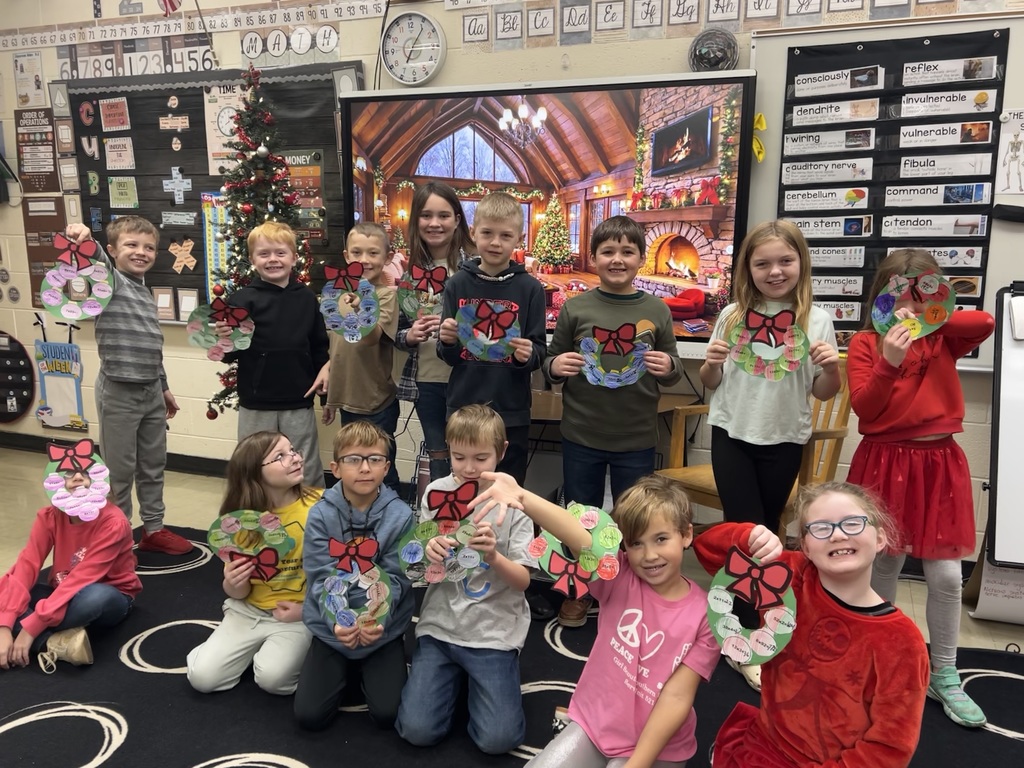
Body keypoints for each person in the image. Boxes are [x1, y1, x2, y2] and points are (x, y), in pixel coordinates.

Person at [472, 472, 720, 768]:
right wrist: (523, 497)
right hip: (594, 723)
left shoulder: (707, 614)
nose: (649, 555)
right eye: (636, 543)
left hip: (657, 747)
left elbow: (677, 697)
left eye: (661, 539)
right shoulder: (620, 574)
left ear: (687, 534)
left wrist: (635, 764)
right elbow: (579, 537)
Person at [846, 248, 994, 728]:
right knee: (884, 565)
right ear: (881, 294)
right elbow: (866, 410)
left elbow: (986, 322)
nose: (908, 299)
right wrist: (890, 359)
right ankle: (881, 660)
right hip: (884, 461)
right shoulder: (867, 343)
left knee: (948, 577)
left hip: (938, 463)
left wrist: (935, 315)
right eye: (899, 290)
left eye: (921, 288)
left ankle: (945, 673)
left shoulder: (943, 340)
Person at [693, 482, 930, 767]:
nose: (838, 535)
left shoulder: (902, 642)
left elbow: (889, 747)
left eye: (853, 523)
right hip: (765, 747)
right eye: (821, 528)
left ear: (880, 538)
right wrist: (749, 537)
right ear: (805, 546)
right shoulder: (790, 578)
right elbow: (707, 550)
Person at [699, 219, 840, 691]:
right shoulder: (733, 315)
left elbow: (824, 391)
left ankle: (752, 619)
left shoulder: (816, 320)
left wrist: (831, 369)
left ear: (801, 263)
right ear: (748, 268)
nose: (775, 271)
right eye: (762, 263)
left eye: (785, 260)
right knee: (747, 533)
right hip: (733, 434)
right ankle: (742, 630)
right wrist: (711, 364)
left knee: (769, 533)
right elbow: (711, 383)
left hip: (784, 439)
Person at [544, 215, 683, 628]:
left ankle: (628, 592)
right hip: (582, 433)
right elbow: (551, 360)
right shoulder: (575, 307)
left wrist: (668, 365)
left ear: (642, 258)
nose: (617, 259)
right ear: (594, 257)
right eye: (608, 251)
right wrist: (557, 365)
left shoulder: (657, 310)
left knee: (635, 521)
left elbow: (674, 369)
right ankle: (580, 590)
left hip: (637, 436)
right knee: (580, 517)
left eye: (627, 251)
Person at [396, 404, 533, 754]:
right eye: (459, 457)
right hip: (441, 626)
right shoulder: (436, 492)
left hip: (493, 633)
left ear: (502, 453)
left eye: (481, 458)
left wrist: (494, 557)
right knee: (416, 730)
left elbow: (523, 581)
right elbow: (419, 565)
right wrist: (429, 550)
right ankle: (456, 683)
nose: (469, 468)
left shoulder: (516, 504)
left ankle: (478, 683)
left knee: (498, 740)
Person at [66, 219, 191, 555]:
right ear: (112, 250)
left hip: (151, 390)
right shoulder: (111, 283)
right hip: (119, 392)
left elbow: (152, 346)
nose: (141, 252)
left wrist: (163, 386)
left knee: (153, 465)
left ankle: (153, 529)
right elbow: (96, 265)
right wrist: (83, 237)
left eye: (149, 247)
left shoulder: (144, 292)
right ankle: (117, 539)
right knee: (118, 473)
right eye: (131, 245)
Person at [295, 421, 415, 731]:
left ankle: (366, 664)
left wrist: (377, 621)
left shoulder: (400, 515)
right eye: (353, 459)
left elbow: (397, 578)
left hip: (381, 628)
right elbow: (321, 577)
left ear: (386, 467)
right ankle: (344, 666)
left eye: (374, 459)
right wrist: (338, 622)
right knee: (309, 717)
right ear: (335, 467)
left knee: (389, 714)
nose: (365, 468)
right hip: (331, 627)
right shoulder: (321, 514)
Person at [186, 431, 321, 695]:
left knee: (275, 681)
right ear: (252, 473)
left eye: (293, 450)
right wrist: (233, 582)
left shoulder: (320, 505)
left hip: (298, 615)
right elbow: (238, 592)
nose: (294, 458)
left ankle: (285, 651)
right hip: (248, 611)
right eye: (280, 456)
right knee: (203, 679)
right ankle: (230, 650)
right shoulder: (239, 521)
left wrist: (308, 611)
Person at [0, 441, 141, 674]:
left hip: (110, 596)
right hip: (61, 594)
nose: (77, 478)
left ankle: (35, 635)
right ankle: (53, 643)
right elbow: (27, 565)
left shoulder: (114, 522)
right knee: (10, 587)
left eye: (84, 473)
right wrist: (4, 624)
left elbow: (84, 577)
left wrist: (30, 629)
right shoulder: (48, 517)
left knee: (93, 597)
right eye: (68, 474)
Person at [438, 192, 546, 484]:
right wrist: (447, 340)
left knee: (509, 488)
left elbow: (539, 352)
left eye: (505, 235)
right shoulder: (458, 284)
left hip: (511, 411)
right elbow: (447, 354)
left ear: (519, 239)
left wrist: (528, 354)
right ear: (473, 233)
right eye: (487, 233)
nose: (496, 242)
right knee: (463, 485)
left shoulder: (531, 289)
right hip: (464, 406)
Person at [217, 221, 330, 488]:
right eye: (264, 254)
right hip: (256, 402)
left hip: (298, 400)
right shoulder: (242, 300)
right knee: (254, 462)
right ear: (252, 259)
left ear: (293, 257)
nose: (273, 260)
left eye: (280, 253)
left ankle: (311, 519)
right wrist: (225, 338)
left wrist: (326, 398)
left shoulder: (305, 298)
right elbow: (229, 354)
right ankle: (256, 518)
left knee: (304, 461)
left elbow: (318, 347)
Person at [395, 182, 474, 481]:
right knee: (438, 455)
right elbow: (400, 335)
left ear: (457, 220)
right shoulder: (409, 274)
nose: (435, 223)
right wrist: (410, 336)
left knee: (470, 454)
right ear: (416, 221)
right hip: (426, 381)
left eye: (443, 215)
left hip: (467, 377)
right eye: (426, 215)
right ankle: (444, 522)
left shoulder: (475, 269)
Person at [324, 223, 401, 490]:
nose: (364, 260)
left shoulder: (386, 297)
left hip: (375, 403)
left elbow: (370, 339)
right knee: (353, 467)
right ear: (346, 256)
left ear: (388, 258)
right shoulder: (335, 295)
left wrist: (360, 310)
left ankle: (392, 521)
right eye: (356, 253)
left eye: (373, 253)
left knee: (380, 469)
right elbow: (337, 346)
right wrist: (330, 391)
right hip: (347, 402)